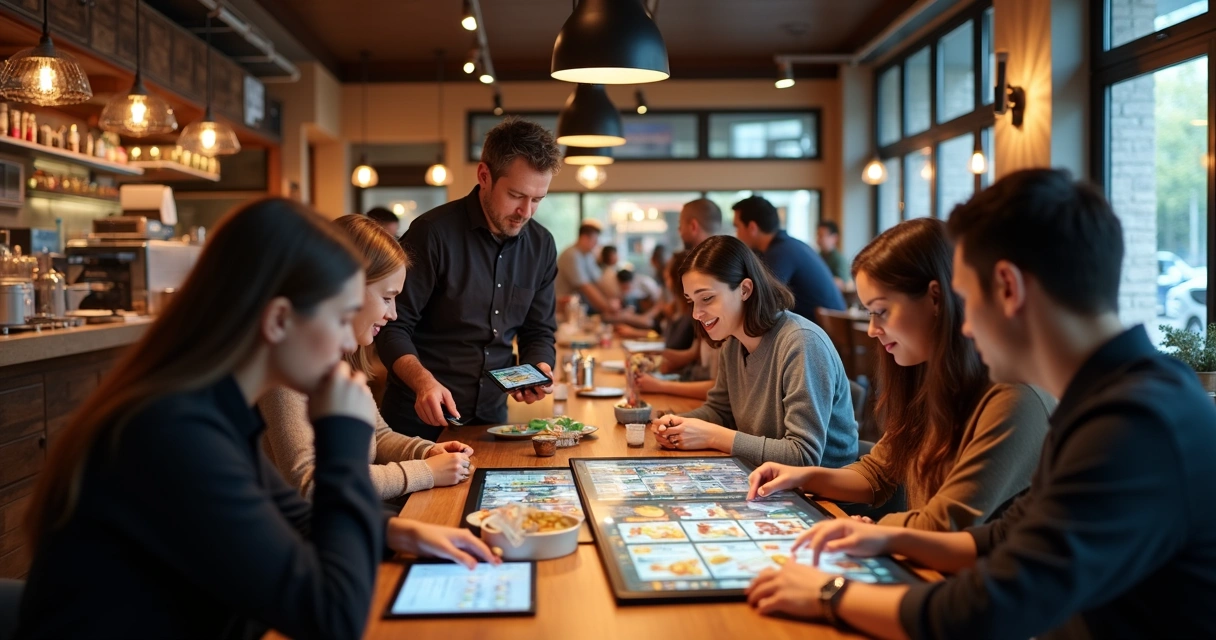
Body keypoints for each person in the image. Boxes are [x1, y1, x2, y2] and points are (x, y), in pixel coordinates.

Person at [745, 169, 1216, 639]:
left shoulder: (1134, 423)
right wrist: (889, 535)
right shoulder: (1118, 395)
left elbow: (998, 604)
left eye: (967, 300)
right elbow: (1010, 533)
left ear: (1009, 288)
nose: (964, 327)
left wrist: (830, 593)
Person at [15, 199, 497, 640]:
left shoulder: (213, 406)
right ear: (279, 321)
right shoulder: (171, 433)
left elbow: (293, 517)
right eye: (341, 315)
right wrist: (343, 440)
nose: (349, 342)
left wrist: (400, 531)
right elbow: (332, 616)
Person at [747, 218, 1054, 531]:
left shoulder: (1015, 399)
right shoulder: (927, 377)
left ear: (936, 299)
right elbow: (880, 473)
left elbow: (944, 523)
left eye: (881, 311)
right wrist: (803, 476)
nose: (871, 329)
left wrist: (878, 532)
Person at [261, 215, 477, 502]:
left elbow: (378, 436)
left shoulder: (340, 360)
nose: (393, 314)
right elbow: (309, 483)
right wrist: (424, 471)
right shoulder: (286, 371)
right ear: (347, 289)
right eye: (387, 297)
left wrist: (427, 451)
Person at [376, 117, 560, 439]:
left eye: (537, 199)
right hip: (419, 419)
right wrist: (423, 381)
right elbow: (393, 326)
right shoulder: (431, 234)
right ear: (484, 176)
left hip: (491, 419)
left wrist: (538, 368)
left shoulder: (541, 245)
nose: (526, 212)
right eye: (517, 195)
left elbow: (539, 330)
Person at [651, 235, 858, 468]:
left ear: (745, 289)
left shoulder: (801, 343)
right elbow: (721, 412)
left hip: (824, 496)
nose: (696, 313)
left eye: (707, 298)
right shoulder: (733, 342)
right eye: (691, 301)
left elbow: (803, 456)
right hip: (766, 480)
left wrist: (711, 435)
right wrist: (677, 425)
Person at [733, 195, 845, 321]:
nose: (736, 234)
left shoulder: (780, 252)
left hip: (825, 333)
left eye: (737, 227)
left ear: (752, 228)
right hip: (827, 327)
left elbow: (763, 301)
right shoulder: (788, 245)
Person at [636, 250, 718, 400]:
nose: (696, 313)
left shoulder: (718, 326)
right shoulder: (682, 311)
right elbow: (693, 354)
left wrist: (660, 385)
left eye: (707, 297)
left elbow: (718, 390)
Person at [556, 220, 618, 316]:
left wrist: (613, 300)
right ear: (584, 238)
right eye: (594, 241)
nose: (596, 245)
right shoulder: (571, 255)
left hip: (578, 307)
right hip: (563, 308)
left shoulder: (587, 255)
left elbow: (598, 282)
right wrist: (607, 307)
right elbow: (586, 287)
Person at [816, 220, 851, 289]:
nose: (819, 239)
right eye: (818, 235)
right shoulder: (817, 256)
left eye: (822, 236)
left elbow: (843, 283)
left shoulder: (839, 259)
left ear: (834, 238)